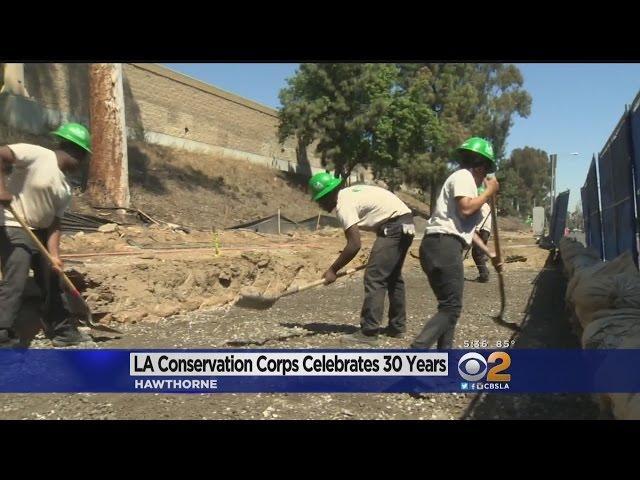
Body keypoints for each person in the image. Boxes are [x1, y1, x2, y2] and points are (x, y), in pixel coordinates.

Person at [0, 122, 93, 348]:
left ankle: (63, 330)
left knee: (53, 279)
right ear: (76, 153)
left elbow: (54, 224)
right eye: (83, 158)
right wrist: (1, 188)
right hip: (15, 224)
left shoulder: (65, 188)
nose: (82, 164)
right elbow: (1, 154)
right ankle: (3, 337)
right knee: (16, 279)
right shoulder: (38, 154)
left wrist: (55, 256)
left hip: (41, 232)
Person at [411, 137, 502, 350]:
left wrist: (491, 254)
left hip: (438, 245)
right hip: (444, 245)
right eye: (486, 173)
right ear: (480, 167)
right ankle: (417, 350)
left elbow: (468, 232)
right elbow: (467, 209)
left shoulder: (464, 182)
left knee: (448, 307)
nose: (484, 180)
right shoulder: (463, 176)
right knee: (451, 308)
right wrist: (489, 192)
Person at [308, 172, 415, 344]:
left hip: (393, 226)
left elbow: (354, 244)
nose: (319, 204)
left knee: (374, 277)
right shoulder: (348, 195)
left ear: (328, 195)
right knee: (393, 277)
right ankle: (397, 327)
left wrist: (333, 270)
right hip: (405, 222)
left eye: (320, 199)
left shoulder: (343, 205)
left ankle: (369, 332)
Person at [471, 187, 492, 283]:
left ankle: (484, 275)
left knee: (477, 253)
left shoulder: (481, 205)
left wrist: (477, 229)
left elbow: (481, 218)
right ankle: (485, 271)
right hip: (486, 231)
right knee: (480, 253)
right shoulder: (487, 206)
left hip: (481, 230)